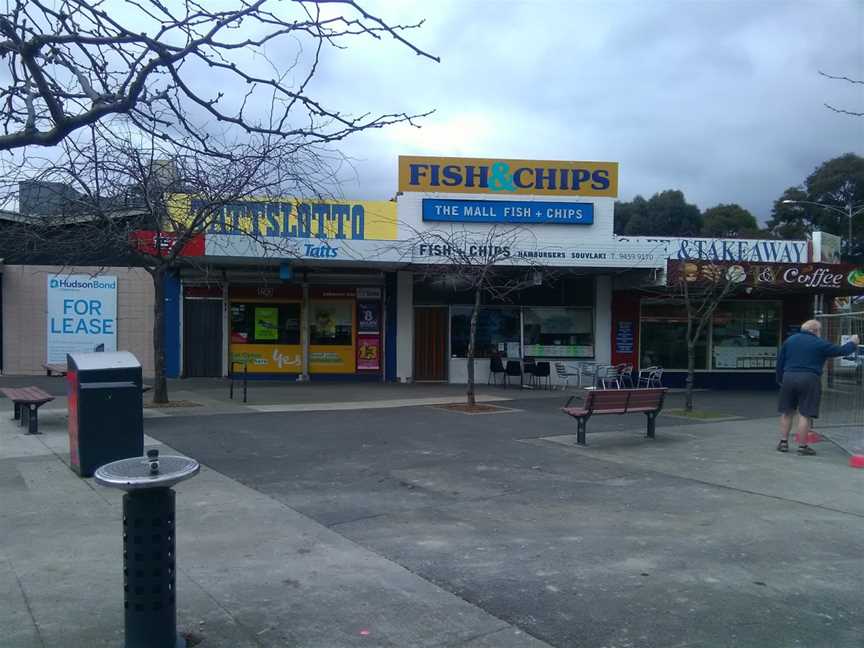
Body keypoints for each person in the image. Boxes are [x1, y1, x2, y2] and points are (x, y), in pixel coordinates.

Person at [775, 320, 858, 455]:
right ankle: (802, 447)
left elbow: (780, 361)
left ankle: (783, 443)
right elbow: (841, 351)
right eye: (820, 331)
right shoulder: (819, 343)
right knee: (805, 414)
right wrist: (853, 343)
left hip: (788, 377)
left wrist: (780, 379)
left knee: (787, 412)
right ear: (815, 330)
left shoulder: (789, 341)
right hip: (809, 378)